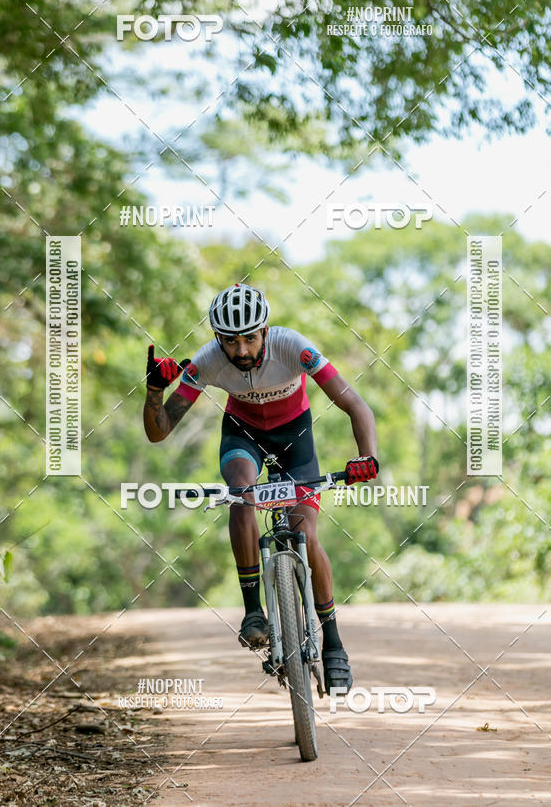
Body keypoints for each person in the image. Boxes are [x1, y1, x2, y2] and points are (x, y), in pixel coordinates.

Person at [143, 283, 378, 693]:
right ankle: (254, 612)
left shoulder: (294, 347)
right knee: (241, 493)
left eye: (250, 337)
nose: (242, 350)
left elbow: (354, 403)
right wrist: (153, 391)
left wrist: (366, 456)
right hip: (243, 436)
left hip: (295, 441)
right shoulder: (208, 361)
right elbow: (159, 432)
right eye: (230, 342)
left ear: (265, 331)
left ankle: (333, 642)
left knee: (305, 532)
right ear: (218, 339)